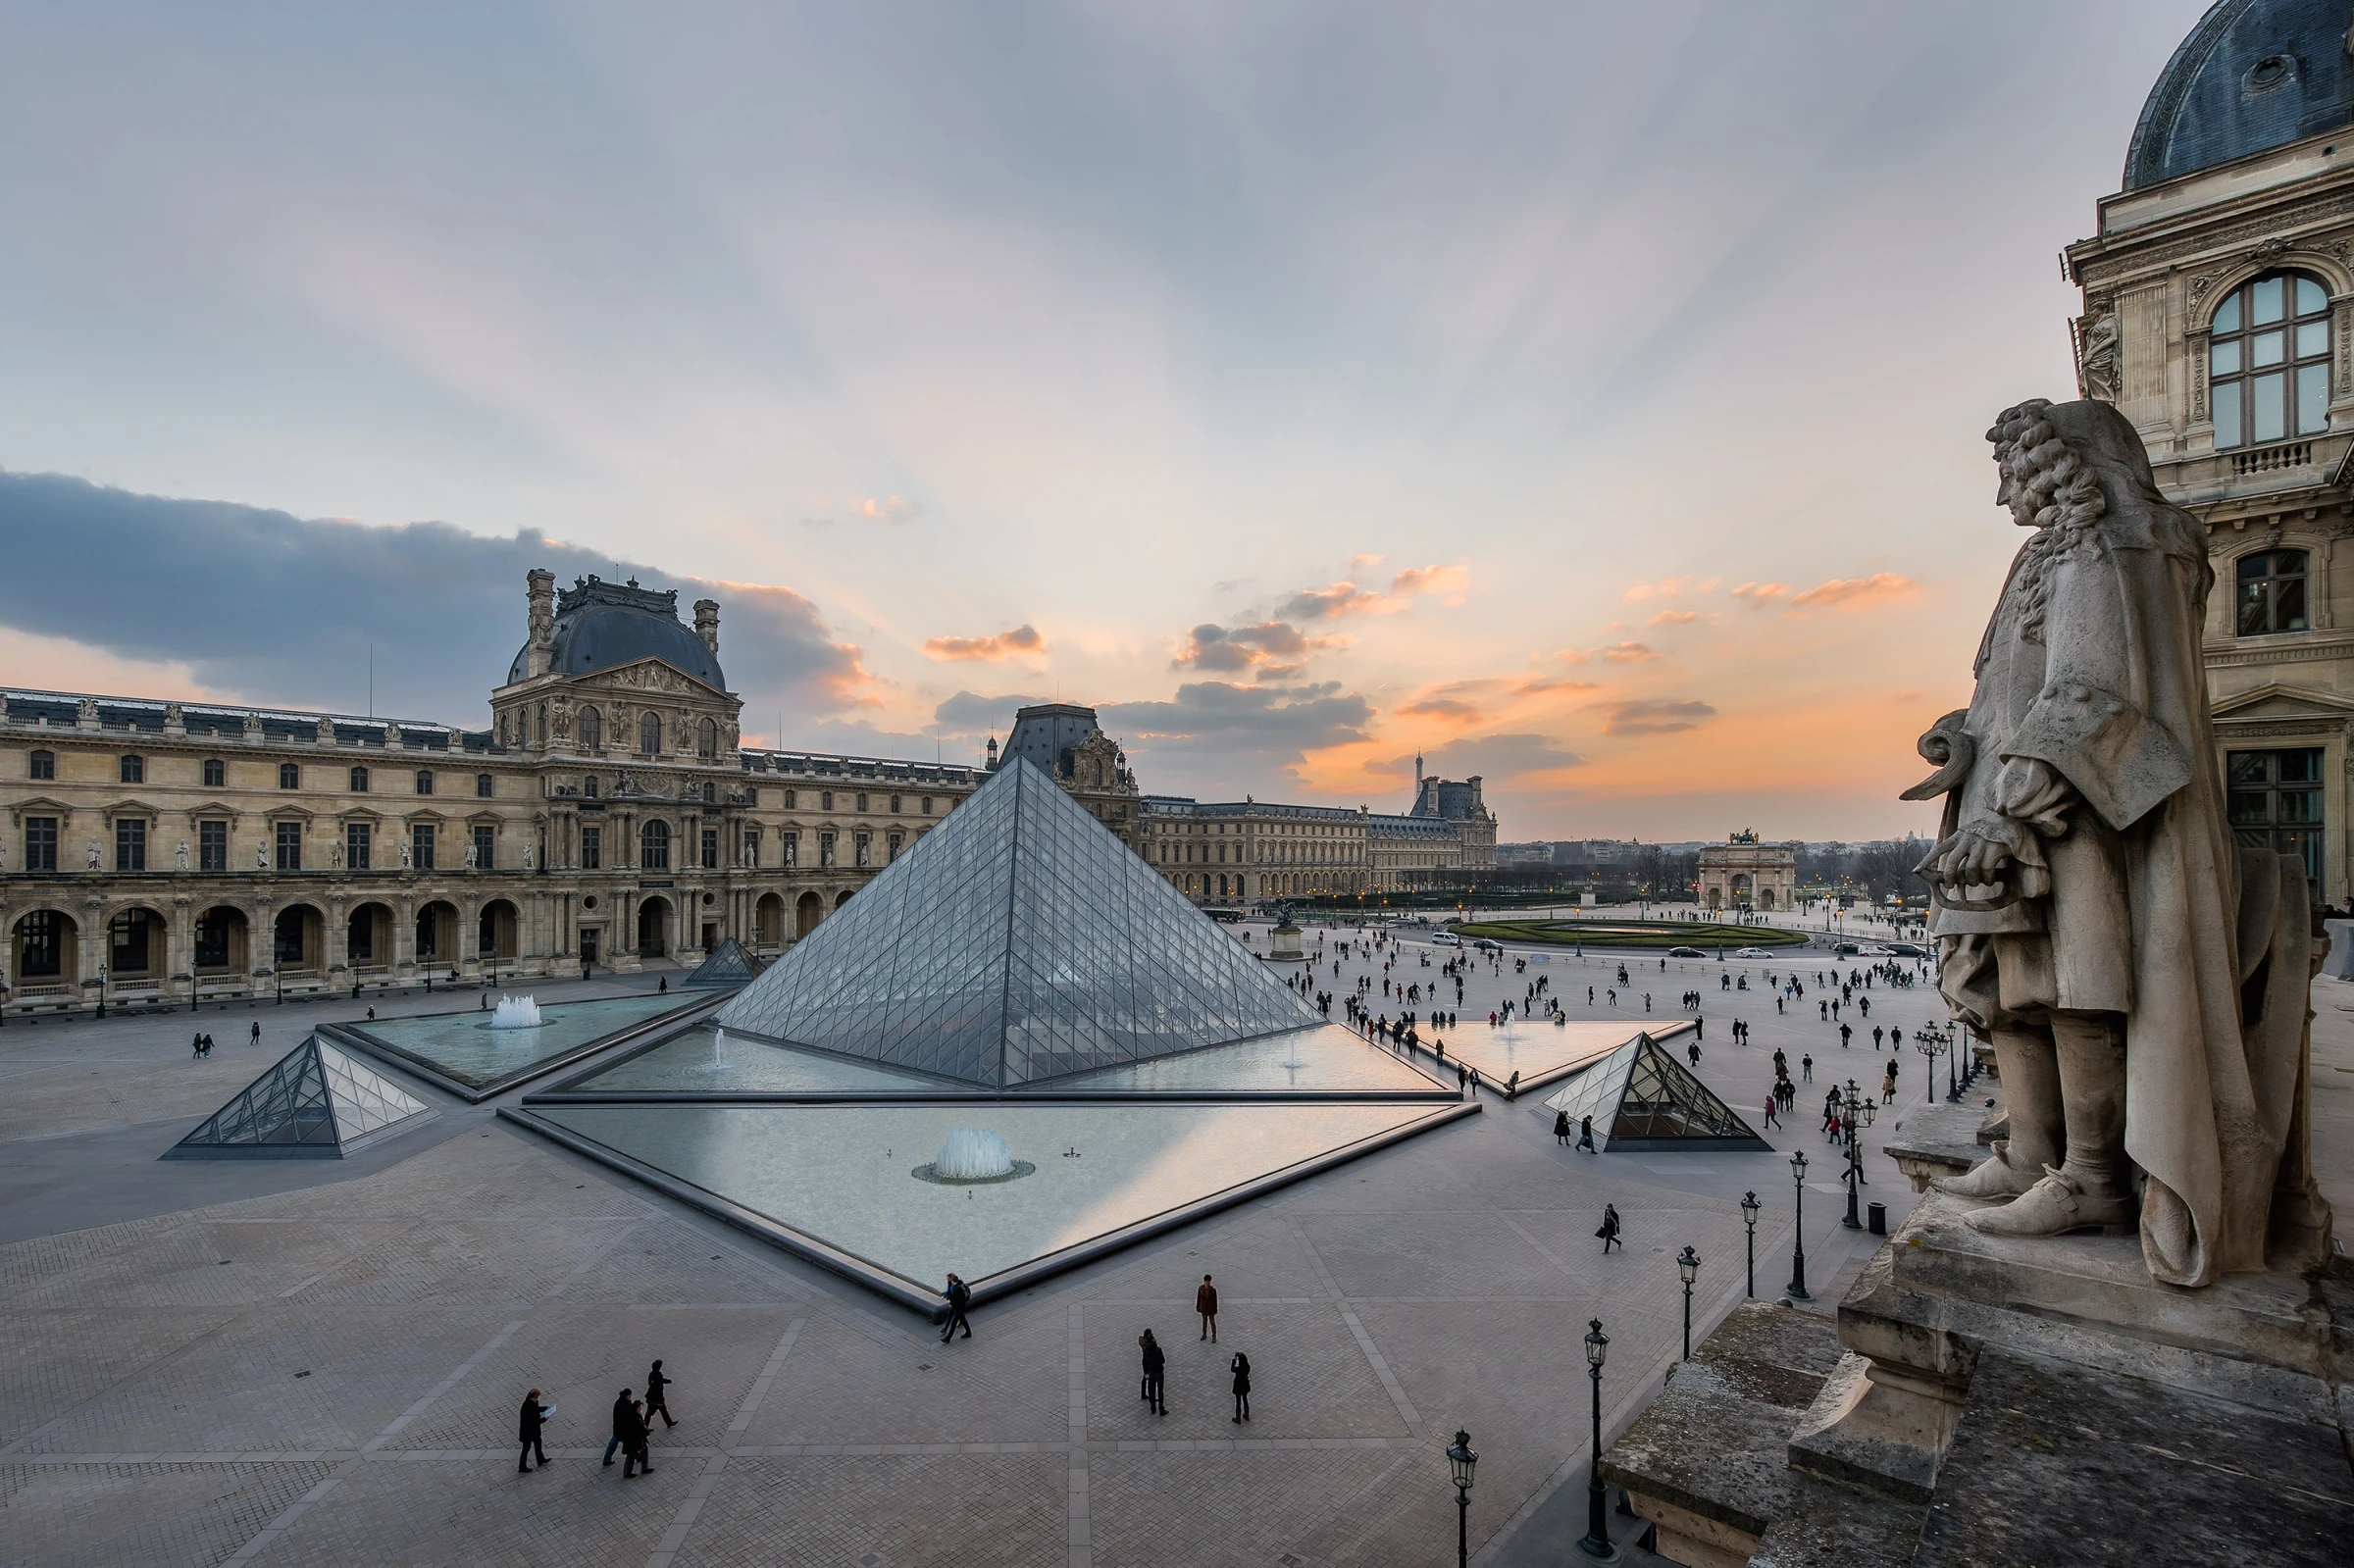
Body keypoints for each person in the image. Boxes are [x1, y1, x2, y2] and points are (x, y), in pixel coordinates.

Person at [518, 1389, 550, 1473]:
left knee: (538, 1443)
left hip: (533, 1431)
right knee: (526, 1449)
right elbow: (532, 1422)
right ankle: (522, 1466)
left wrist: (546, 1408)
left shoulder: (533, 1402)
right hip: (527, 1432)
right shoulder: (527, 1406)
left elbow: (536, 1409)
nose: (537, 1399)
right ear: (532, 1397)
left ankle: (540, 1459)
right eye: (536, 1397)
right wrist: (543, 1420)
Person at [622, 1395, 653, 1478]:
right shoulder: (632, 1418)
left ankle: (644, 1468)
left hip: (639, 1439)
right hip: (633, 1441)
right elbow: (636, 1429)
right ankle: (627, 1473)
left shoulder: (636, 1415)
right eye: (639, 1408)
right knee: (631, 1455)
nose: (640, 1409)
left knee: (643, 1451)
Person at [604, 1388, 634, 1466]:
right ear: (626, 1396)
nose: (630, 1397)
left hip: (619, 1429)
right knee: (630, 1444)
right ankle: (637, 1456)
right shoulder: (620, 1405)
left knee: (614, 1443)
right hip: (621, 1428)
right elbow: (624, 1417)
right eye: (629, 1396)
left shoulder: (623, 1402)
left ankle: (606, 1459)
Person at [1140, 1329, 1166, 1416]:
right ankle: (1161, 1409)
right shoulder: (1158, 1349)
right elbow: (1163, 1360)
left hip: (1150, 1372)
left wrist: (1146, 1372)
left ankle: (1153, 1408)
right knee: (1160, 1390)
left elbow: (1144, 1362)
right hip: (1158, 1371)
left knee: (1151, 1390)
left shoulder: (1145, 1349)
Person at [940, 1272, 972, 1342]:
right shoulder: (958, 1287)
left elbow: (956, 1299)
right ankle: (968, 1332)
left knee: (954, 1323)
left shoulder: (958, 1289)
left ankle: (948, 1338)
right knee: (963, 1320)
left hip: (958, 1308)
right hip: (960, 1308)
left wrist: (952, 1304)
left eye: (952, 1281)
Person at [644, 1359, 677, 1429]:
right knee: (650, 1412)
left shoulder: (651, 1374)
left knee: (663, 1410)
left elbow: (652, 1383)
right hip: (656, 1399)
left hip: (652, 1398)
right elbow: (659, 1388)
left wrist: (668, 1381)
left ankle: (669, 1423)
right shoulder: (658, 1376)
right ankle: (645, 1427)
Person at [1230, 1351, 1253, 1423]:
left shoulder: (1238, 1368)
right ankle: (1246, 1415)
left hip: (1238, 1385)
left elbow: (1232, 1369)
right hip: (1245, 1384)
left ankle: (1238, 1418)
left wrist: (1234, 1361)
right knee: (1245, 1399)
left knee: (1238, 1401)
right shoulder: (1247, 1366)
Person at [1196, 1275, 1219, 1342]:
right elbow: (1198, 1299)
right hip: (1204, 1309)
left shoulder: (1213, 1290)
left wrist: (1215, 1310)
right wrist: (1198, 1307)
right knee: (1204, 1322)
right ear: (1204, 1281)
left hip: (1211, 1309)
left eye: (1209, 1281)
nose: (1208, 1283)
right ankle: (1204, 1334)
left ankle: (1214, 1335)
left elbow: (1215, 1301)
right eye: (1207, 1281)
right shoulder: (1200, 1289)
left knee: (1212, 1322)